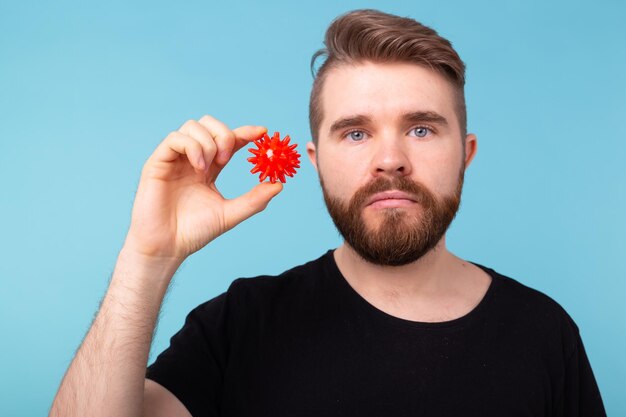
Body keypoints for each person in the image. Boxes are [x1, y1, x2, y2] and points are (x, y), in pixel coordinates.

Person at [49, 9, 607, 417]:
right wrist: (147, 258)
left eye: (420, 128)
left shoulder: (544, 333)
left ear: (466, 152)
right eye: (356, 132)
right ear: (315, 161)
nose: (390, 160)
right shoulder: (242, 323)